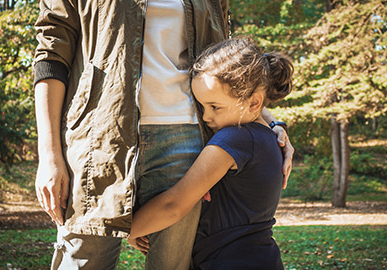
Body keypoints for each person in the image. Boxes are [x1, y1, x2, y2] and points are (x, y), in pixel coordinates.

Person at [33, 0, 294, 268]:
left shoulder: (230, 137)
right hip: (99, 139)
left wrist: (269, 122)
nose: (209, 113)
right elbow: (52, 51)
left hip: (188, 141)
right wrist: (49, 153)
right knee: (82, 260)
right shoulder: (230, 137)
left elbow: (230, 70)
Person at [127, 37, 292, 270]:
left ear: (254, 103)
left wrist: (131, 229)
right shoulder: (267, 138)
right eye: (202, 106)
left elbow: (174, 204)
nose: (206, 117)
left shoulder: (235, 138)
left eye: (215, 107)